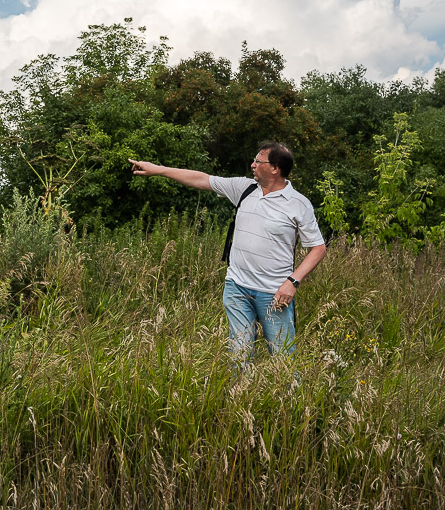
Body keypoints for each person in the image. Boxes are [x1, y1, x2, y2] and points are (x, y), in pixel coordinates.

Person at [129, 143, 326, 361]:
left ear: (275, 168)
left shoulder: (299, 204)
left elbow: (317, 247)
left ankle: (288, 395)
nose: (252, 165)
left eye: (258, 161)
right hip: (236, 288)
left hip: (274, 293)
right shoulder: (245, 188)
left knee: (283, 359)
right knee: (239, 355)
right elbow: (202, 179)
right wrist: (158, 169)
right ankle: (240, 393)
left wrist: (293, 282)